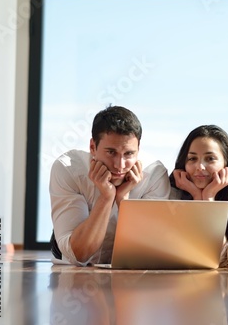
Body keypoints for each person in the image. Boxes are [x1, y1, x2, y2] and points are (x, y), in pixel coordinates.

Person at [50, 105, 170, 266]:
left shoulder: (154, 173)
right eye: (111, 152)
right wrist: (106, 197)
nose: (119, 165)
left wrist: (123, 201)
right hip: (73, 251)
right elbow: (79, 254)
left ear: (138, 149)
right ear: (93, 147)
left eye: (128, 154)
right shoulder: (68, 168)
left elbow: (149, 251)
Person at [169, 125, 228, 267]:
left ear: (226, 163)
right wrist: (196, 196)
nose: (200, 166)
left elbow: (222, 258)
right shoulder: (174, 191)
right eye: (192, 159)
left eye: (210, 158)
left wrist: (208, 198)